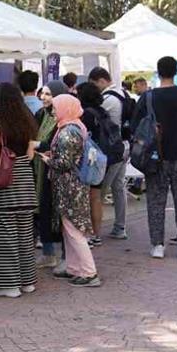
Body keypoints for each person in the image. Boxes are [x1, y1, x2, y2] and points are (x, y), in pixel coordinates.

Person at [131, 56, 177, 260]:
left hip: (156, 157)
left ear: (158, 72)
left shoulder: (148, 97)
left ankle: (157, 245)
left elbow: (136, 127)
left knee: (155, 200)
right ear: (176, 72)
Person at [0, 83, 40, 297]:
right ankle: (27, 282)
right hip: (25, 184)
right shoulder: (28, 122)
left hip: (4, 186)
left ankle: (8, 285)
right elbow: (31, 155)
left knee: (3, 235)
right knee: (25, 234)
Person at [40, 94, 101, 287]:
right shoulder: (74, 127)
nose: (54, 111)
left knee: (74, 230)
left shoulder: (68, 131)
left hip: (69, 187)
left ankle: (89, 272)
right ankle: (75, 268)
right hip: (72, 185)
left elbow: (65, 163)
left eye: (57, 107)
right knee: (70, 229)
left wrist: (49, 160)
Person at [89, 68, 129, 240]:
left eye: (94, 84)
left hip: (112, 149)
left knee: (100, 191)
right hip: (124, 145)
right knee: (119, 188)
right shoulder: (124, 94)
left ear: (101, 81)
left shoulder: (108, 99)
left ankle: (96, 232)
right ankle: (120, 226)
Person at [76, 81, 114, 247]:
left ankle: (87, 234)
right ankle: (96, 234)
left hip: (88, 159)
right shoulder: (102, 112)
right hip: (102, 158)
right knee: (96, 198)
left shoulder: (85, 114)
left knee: (85, 197)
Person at [33, 81, 65, 270]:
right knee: (43, 211)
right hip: (40, 169)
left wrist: (37, 145)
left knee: (58, 214)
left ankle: (65, 256)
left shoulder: (63, 117)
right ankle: (48, 252)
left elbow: (55, 143)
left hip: (56, 171)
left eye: (49, 94)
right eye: (42, 93)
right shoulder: (41, 114)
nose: (44, 97)